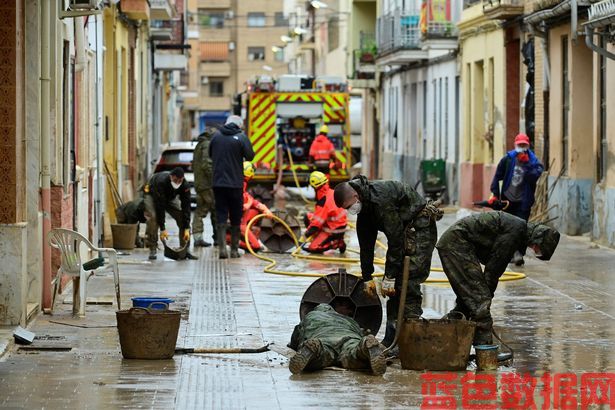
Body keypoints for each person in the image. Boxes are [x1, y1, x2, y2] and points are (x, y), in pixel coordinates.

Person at [333, 175, 442, 347]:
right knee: (394, 290)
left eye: (349, 207)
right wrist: (367, 276)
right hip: (404, 228)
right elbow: (366, 245)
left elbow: (395, 239)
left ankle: (409, 341)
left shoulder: (380, 200)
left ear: (355, 197)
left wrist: (389, 276)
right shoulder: (365, 208)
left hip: (421, 225)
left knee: (409, 279)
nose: (350, 210)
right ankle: (392, 338)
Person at [436, 211, 560, 345]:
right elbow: (494, 268)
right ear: (538, 239)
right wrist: (486, 296)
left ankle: (443, 339)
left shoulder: (519, 231)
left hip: (458, 244)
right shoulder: (515, 232)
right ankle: (484, 351)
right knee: (480, 301)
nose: (534, 250)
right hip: (456, 244)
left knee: (468, 300)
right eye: (537, 249)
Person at [489, 133, 544, 265]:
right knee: (508, 228)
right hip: (508, 200)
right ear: (515, 145)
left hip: (524, 201)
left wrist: (527, 165)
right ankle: (510, 253)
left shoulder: (533, 160)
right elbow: (497, 176)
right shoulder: (508, 159)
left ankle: (519, 253)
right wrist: (495, 194)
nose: (522, 147)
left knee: (521, 228)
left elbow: (536, 174)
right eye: (520, 145)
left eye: (524, 145)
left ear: (528, 145)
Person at [288, 304, 387, 376]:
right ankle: (365, 345)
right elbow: (359, 332)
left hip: (323, 339)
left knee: (321, 355)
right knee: (354, 352)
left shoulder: (311, 315)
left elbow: (296, 335)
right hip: (349, 338)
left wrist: (293, 345)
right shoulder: (348, 319)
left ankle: (315, 347)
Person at [209, 115, 255, 259]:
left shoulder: (215, 137)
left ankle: (222, 250)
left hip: (218, 183)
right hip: (235, 184)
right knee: (236, 216)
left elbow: (211, 154)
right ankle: (234, 251)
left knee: (221, 215)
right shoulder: (241, 137)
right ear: (239, 125)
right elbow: (250, 156)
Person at [143, 167, 195, 261]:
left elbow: (186, 207)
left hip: (170, 197)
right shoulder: (161, 182)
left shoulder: (184, 185)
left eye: (180, 180)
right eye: (176, 180)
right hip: (152, 195)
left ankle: (184, 249)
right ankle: (153, 248)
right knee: (153, 218)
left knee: (181, 217)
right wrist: (163, 228)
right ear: (171, 177)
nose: (178, 182)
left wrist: (186, 227)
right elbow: (160, 206)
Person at [302, 171, 347, 253]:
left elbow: (316, 225)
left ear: (315, 186)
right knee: (308, 216)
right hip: (338, 225)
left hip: (334, 230)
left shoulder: (323, 201)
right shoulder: (332, 192)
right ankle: (321, 238)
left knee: (313, 247)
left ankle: (337, 243)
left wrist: (305, 235)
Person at [233, 161, 273, 252]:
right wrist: (250, 203)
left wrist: (263, 208)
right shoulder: (240, 185)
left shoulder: (239, 182)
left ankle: (243, 235)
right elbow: (244, 203)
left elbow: (247, 197)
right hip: (239, 224)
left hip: (238, 220)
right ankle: (234, 242)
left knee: (256, 211)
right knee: (256, 247)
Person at [192, 127, 217, 248]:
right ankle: (217, 238)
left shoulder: (200, 145)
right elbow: (207, 164)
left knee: (200, 211)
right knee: (215, 209)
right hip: (207, 184)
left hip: (200, 184)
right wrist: (214, 180)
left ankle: (198, 238)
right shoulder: (207, 145)